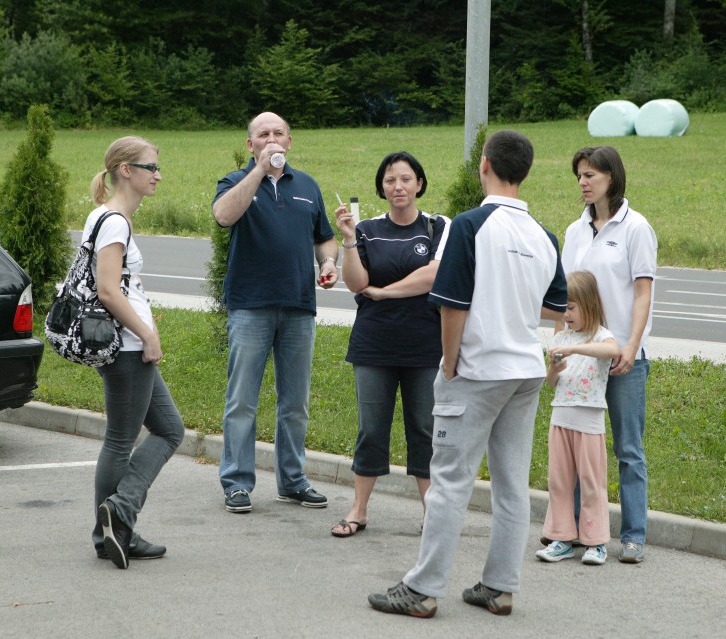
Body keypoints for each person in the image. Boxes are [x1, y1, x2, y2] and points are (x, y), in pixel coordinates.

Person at [368, 130, 567, 618]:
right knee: (511, 482)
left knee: (450, 480)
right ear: (524, 170)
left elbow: (451, 304)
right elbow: (556, 304)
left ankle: (422, 588)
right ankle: (499, 587)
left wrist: (451, 363)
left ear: (484, 165)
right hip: (524, 368)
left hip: (479, 368)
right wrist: (511, 295)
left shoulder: (470, 225)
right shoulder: (543, 234)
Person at [212, 112, 338, 514]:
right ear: (251, 145)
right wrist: (259, 173)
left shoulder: (308, 186)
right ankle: (236, 482)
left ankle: (293, 480)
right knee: (242, 399)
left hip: (299, 305)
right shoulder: (235, 181)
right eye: (263, 135)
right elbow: (223, 215)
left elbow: (325, 238)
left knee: (295, 402)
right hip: (251, 305)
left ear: (290, 140)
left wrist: (328, 263)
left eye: (278, 133)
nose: (272, 139)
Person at [330, 151, 451, 538]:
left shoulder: (437, 226)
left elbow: (433, 276)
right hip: (374, 346)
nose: (397, 186)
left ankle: (431, 514)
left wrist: (384, 293)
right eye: (389, 180)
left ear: (419, 183)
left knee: (425, 429)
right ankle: (358, 510)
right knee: (371, 429)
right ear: (381, 188)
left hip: (425, 346)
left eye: (405, 179)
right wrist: (348, 241)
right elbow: (354, 282)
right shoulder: (365, 228)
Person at [87, 136, 186, 570]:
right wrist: (147, 333)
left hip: (126, 345)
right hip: (127, 346)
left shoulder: (106, 215)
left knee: (169, 429)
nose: (157, 175)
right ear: (126, 170)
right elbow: (108, 290)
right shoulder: (115, 222)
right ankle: (117, 517)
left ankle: (113, 525)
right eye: (150, 167)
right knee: (121, 440)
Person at [561, 145, 657, 564]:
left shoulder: (635, 228)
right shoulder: (574, 231)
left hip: (621, 358)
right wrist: (559, 347)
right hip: (582, 358)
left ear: (611, 178)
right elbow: (565, 296)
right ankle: (586, 532)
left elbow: (642, 293)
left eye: (591, 175)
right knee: (582, 448)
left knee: (627, 449)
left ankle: (633, 535)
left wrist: (631, 347)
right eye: (580, 175)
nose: (583, 182)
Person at [536, 271, 619, 566]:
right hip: (561, 418)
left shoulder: (600, 336)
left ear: (588, 303)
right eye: (563, 308)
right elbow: (551, 382)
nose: (565, 314)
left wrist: (573, 348)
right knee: (559, 482)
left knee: (591, 482)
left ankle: (595, 542)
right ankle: (560, 538)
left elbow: (612, 351)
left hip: (589, 422)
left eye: (571, 308)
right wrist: (554, 368)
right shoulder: (561, 337)